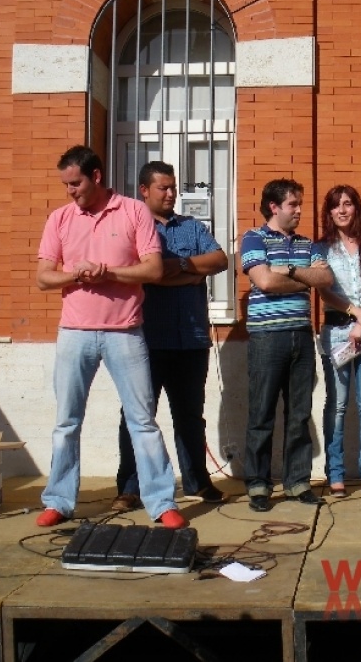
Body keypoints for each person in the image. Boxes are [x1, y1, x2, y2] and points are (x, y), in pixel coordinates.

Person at [33, 145, 186, 529]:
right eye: (66, 184)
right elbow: (43, 277)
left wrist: (107, 272)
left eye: (76, 183)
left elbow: (152, 270)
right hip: (74, 333)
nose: (70, 190)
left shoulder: (134, 211)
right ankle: (59, 500)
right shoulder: (60, 218)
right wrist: (76, 275)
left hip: (125, 332)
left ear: (96, 176)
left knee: (142, 420)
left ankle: (161, 502)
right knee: (66, 421)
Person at [111, 161, 230, 512]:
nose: (170, 193)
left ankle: (198, 481)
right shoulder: (134, 229)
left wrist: (178, 266)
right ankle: (130, 488)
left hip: (191, 338)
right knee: (137, 415)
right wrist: (190, 272)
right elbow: (145, 276)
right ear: (144, 190)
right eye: (162, 187)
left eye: (173, 187)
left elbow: (220, 259)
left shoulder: (192, 228)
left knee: (190, 415)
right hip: (146, 339)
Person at [240, 179, 334, 512]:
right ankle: (258, 484)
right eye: (293, 204)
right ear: (274, 207)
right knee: (262, 413)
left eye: (300, 203)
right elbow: (263, 280)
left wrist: (289, 269)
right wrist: (302, 276)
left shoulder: (307, 243)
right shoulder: (253, 238)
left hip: (301, 336)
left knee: (299, 413)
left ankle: (297, 482)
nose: (299, 210)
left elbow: (325, 279)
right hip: (267, 337)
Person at [315, 185, 361, 498]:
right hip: (337, 334)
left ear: (356, 208)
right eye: (336, 206)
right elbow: (324, 291)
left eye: (347, 204)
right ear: (329, 212)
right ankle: (336, 474)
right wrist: (354, 314)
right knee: (338, 404)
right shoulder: (320, 250)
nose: (342, 210)